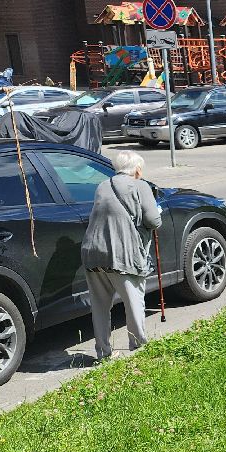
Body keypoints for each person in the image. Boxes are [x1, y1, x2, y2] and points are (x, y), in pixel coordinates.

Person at [81, 149, 161, 361]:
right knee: (134, 302)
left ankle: (103, 353)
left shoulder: (102, 186)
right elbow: (153, 221)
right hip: (123, 254)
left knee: (99, 305)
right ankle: (139, 348)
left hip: (93, 252)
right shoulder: (140, 185)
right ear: (137, 169)